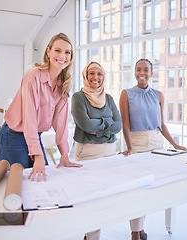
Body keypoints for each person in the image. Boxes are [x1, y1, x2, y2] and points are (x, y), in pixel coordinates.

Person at [0, 33, 82, 182]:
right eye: (57, 50)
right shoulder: (33, 76)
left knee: (43, 178)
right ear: (48, 52)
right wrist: (38, 156)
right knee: (18, 183)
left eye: (67, 52)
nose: (62, 55)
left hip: (35, 135)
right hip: (14, 136)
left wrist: (64, 154)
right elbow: (29, 118)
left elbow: (60, 123)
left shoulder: (64, 83)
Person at [119, 58, 187, 240]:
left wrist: (174, 145)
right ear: (134, 72)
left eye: (146, 70)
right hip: (138, 143)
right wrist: (130, 146)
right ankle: (135, 232)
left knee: (150, 189)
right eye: (138, 69)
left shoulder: (159, 95)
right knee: (138, 189)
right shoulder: (126, 94)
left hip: (157, 144)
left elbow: (162, 124)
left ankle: (140, 227)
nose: (142, 73)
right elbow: (125, 124)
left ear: (152, 73)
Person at [71, 61, 122, 240]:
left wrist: (99, 126)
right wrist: (107, 125)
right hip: (88, 151)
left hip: (109, 152)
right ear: (85, 76)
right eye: (91, 73)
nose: (95, 77)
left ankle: (92, 235)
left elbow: (119, 125)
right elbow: (84, 124)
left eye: (99, 74)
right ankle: (91, 236)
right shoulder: (79, 97)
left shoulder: (108, 98)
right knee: (90, 198)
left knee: (104, 197)